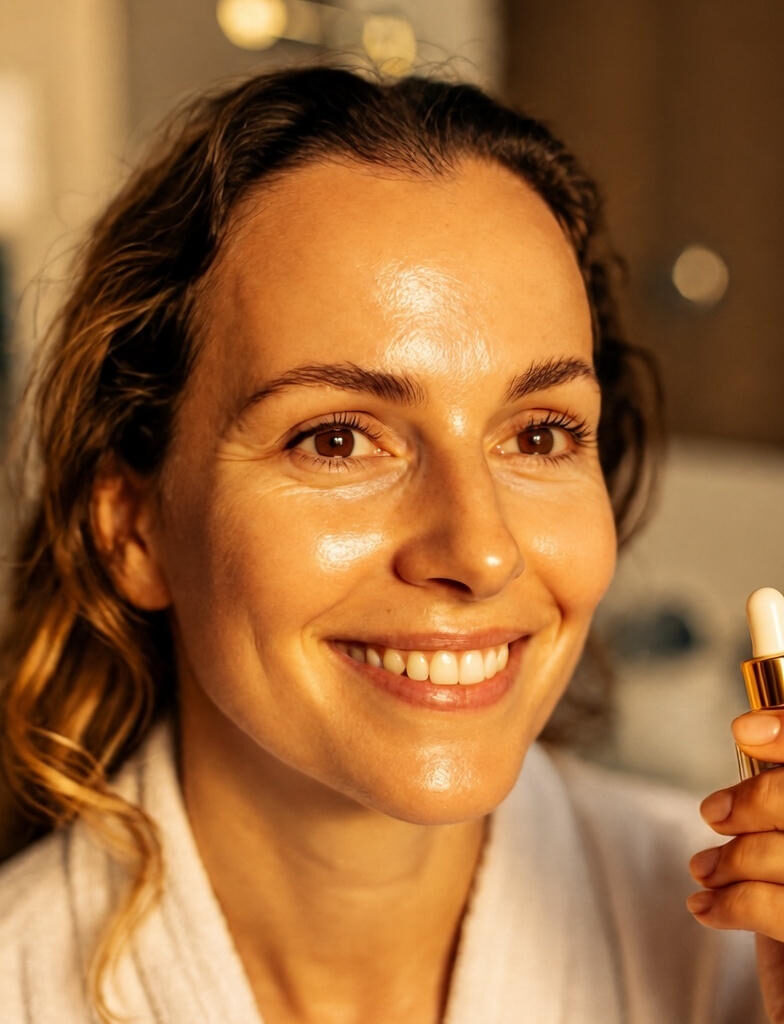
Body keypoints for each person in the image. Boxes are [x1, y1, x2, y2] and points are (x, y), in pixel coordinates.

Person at [0, 64, 775, 1024]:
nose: (481, 550)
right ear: (135, 527)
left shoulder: (732, 964)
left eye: (538, 435)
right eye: (336, 438)